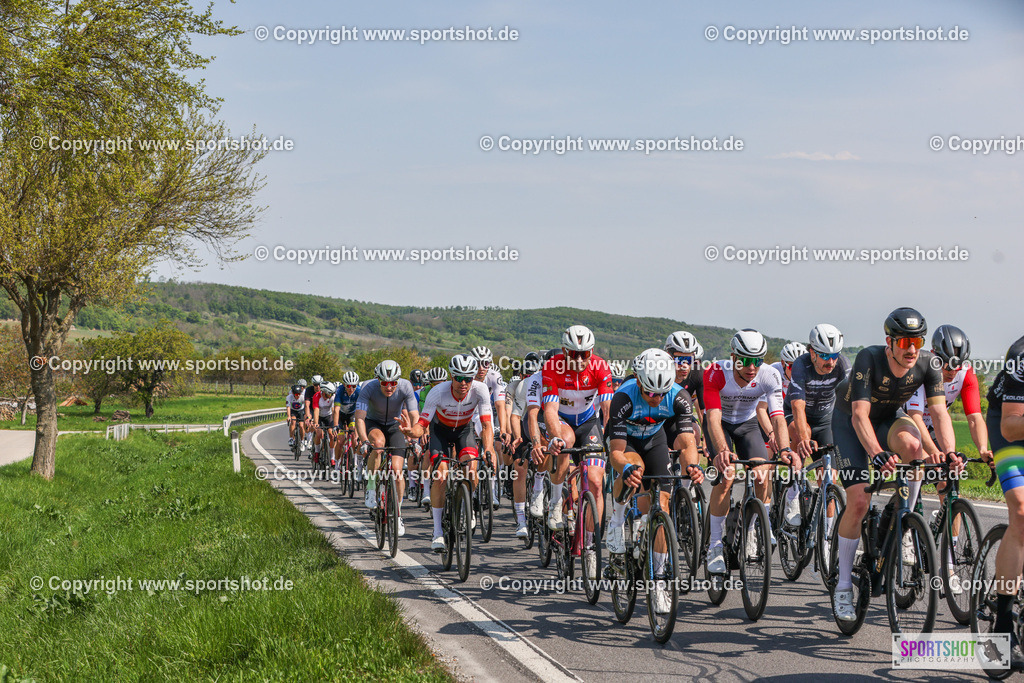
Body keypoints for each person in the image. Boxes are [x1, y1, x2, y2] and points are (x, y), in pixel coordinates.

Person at [830, 308, 963, 622]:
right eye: (904, 342)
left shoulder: (929, 364)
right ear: (889, 342)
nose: (912, 349)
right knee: (860, 499)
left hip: (888, 417)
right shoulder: (869, 359)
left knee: (913, 446)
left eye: (917, 341)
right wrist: (876, 454)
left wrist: (950, 453)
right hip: (851, 422)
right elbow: (859, 416)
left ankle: (903, 517)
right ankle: (844, 585)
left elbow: (940, 413)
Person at [607, 348, 704, 608]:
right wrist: (625, 468)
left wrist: (693, 466)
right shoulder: (623, 398)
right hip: (627, 442)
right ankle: (616, 520)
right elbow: (615, 451)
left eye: (660, 394)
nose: (655, 397)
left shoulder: (678, 396)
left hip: (654, 438)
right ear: (639, 381)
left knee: (662, 502)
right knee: (635, 468)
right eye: (650, 392)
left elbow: (686, 443)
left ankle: (659, 581)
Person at [704, 329, 790, 573]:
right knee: (727, 475)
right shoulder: (716, 372)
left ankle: (752, 530)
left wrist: (784, 449)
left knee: (763, 474)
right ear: (733, 357)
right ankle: (714, 546)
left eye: (757, 360)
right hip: (719, 424)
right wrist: (722, 449)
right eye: (745, 360)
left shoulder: (769, 376)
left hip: (747, 424)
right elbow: (712, 417)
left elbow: (778, 417)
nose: (752, 367)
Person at [399, 354, 495, 553]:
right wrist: (411, 432)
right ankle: (437, 532)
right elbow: (422, 425)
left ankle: (467, 505)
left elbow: (486, 424)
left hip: (464, 430)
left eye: (468, 378)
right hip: (440, 431)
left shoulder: (480, 389)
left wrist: (489, 449)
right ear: (451, 376)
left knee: (472, 467)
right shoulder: (437, 392)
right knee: (441, 475)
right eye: (458, 378)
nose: (463, 383)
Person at [542, 325, 613, 531]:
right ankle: (555, 502)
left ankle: (591, 542)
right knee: (566, 439)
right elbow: (550, 410)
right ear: (564, 351)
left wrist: (610, 440)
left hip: (588, 422)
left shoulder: (600, 366)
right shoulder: (552, 366)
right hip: (562, 421)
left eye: (585, 354)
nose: (580, 360)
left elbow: (608, 410)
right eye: (574, 354)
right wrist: (555, 438)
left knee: (596, 483)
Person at [781, 324, 850, 527]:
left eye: (834, 355)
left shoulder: (842, 364)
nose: (831, 362)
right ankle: (793, 492)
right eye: (824, 356)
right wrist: (803, 439)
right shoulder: (801, 366)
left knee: (828, 480)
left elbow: (854, 400)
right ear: (812, 353)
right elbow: (797, 406)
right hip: (797, 416)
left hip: (825, 420)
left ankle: (827, 536)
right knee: (802, 432)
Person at [354, 360, 419, 538]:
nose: (389, 387)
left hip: (394, 425)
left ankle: (397, 514)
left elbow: (414, 414)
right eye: (384, 383)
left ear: (398, 381)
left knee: (398, 471)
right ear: (378, 380)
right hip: (373, 423)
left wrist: (414, 437)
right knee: (379, 445)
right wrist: (365, 440)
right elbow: (359, 418)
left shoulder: (406, 387)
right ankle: (371, 486)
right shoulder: (368, 388)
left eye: (393, 383)